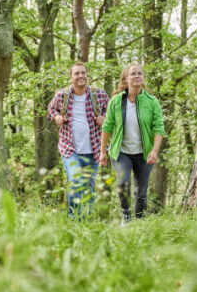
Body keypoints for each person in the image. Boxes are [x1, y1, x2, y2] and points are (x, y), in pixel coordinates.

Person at [99, 63, 165, 222]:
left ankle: (140, 224)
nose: (137, 76)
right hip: (121, 152)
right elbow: (107, 126)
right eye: (133, 74)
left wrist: (155, 150)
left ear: (143, 78)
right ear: (126, 79)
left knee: (141, 192)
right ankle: (126, 217)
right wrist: (102, 152)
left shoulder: (152, 101)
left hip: (144, 152)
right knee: (123, 185)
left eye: (140, 73)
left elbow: (159, 128)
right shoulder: (116, 101)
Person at [48, 62, 109, 219]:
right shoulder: (62, 95)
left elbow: (113, 114)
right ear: (71, 77)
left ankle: (86, 221)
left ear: (87, 75)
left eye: (83, 73)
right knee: (76, 181)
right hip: (70, 149)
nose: (81, 76)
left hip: (94, 149)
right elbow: (51, 109)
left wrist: (104, 118)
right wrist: (57, 117)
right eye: (77, 74)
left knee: (88, 188)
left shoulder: (99, 95)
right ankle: (74, 219)